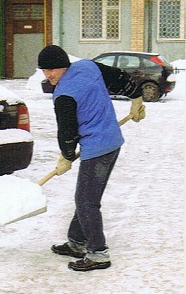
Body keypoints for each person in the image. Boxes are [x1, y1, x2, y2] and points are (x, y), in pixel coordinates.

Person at [37, 45, 145, 272]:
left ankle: (98, 254)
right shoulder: (87, 66)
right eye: (45, 70)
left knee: (86, 201)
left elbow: (67, 131)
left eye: (53, 69)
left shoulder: (64, 95)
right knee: (86, 196)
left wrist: (66, 155)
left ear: (65, 65)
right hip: (110, 141)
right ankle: (77, 242)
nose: (48, 75)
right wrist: (135, 96)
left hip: (99, 147)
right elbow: (118, 77)